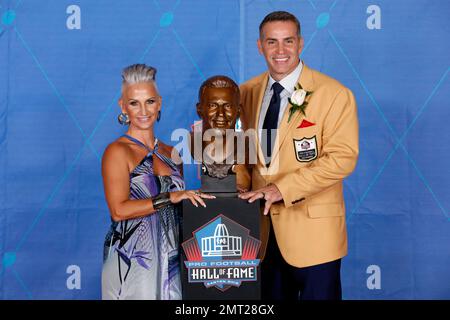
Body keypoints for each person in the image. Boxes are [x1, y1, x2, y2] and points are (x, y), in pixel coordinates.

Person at [238, 11, 359, 300]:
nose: (280, 51)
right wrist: (238, 186)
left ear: (300, 43)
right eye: (272, 42)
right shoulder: (245, 93)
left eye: (288, 41)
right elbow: (241, 156)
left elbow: (342, 157)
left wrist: (282, 188)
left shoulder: (334, 94)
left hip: (316, 237)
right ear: (259, 46)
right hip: (263, 236)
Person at [101, 64, 214, 300]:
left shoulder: (172, 152)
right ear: (123, 106)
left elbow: (182, 206)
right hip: (132, 260)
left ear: (159, 103)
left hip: (172, 259)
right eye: (134, 103)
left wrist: (225, 194)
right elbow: (118, 211)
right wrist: (170, 197)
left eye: (150, 101)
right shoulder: (116, 151)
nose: (143, 110)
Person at [191, 75, 250, 190]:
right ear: (200, 110)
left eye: (227, 106)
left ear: (238, 111)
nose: (221, 114)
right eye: (213, 105)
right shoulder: (188, 143)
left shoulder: (249, 145)